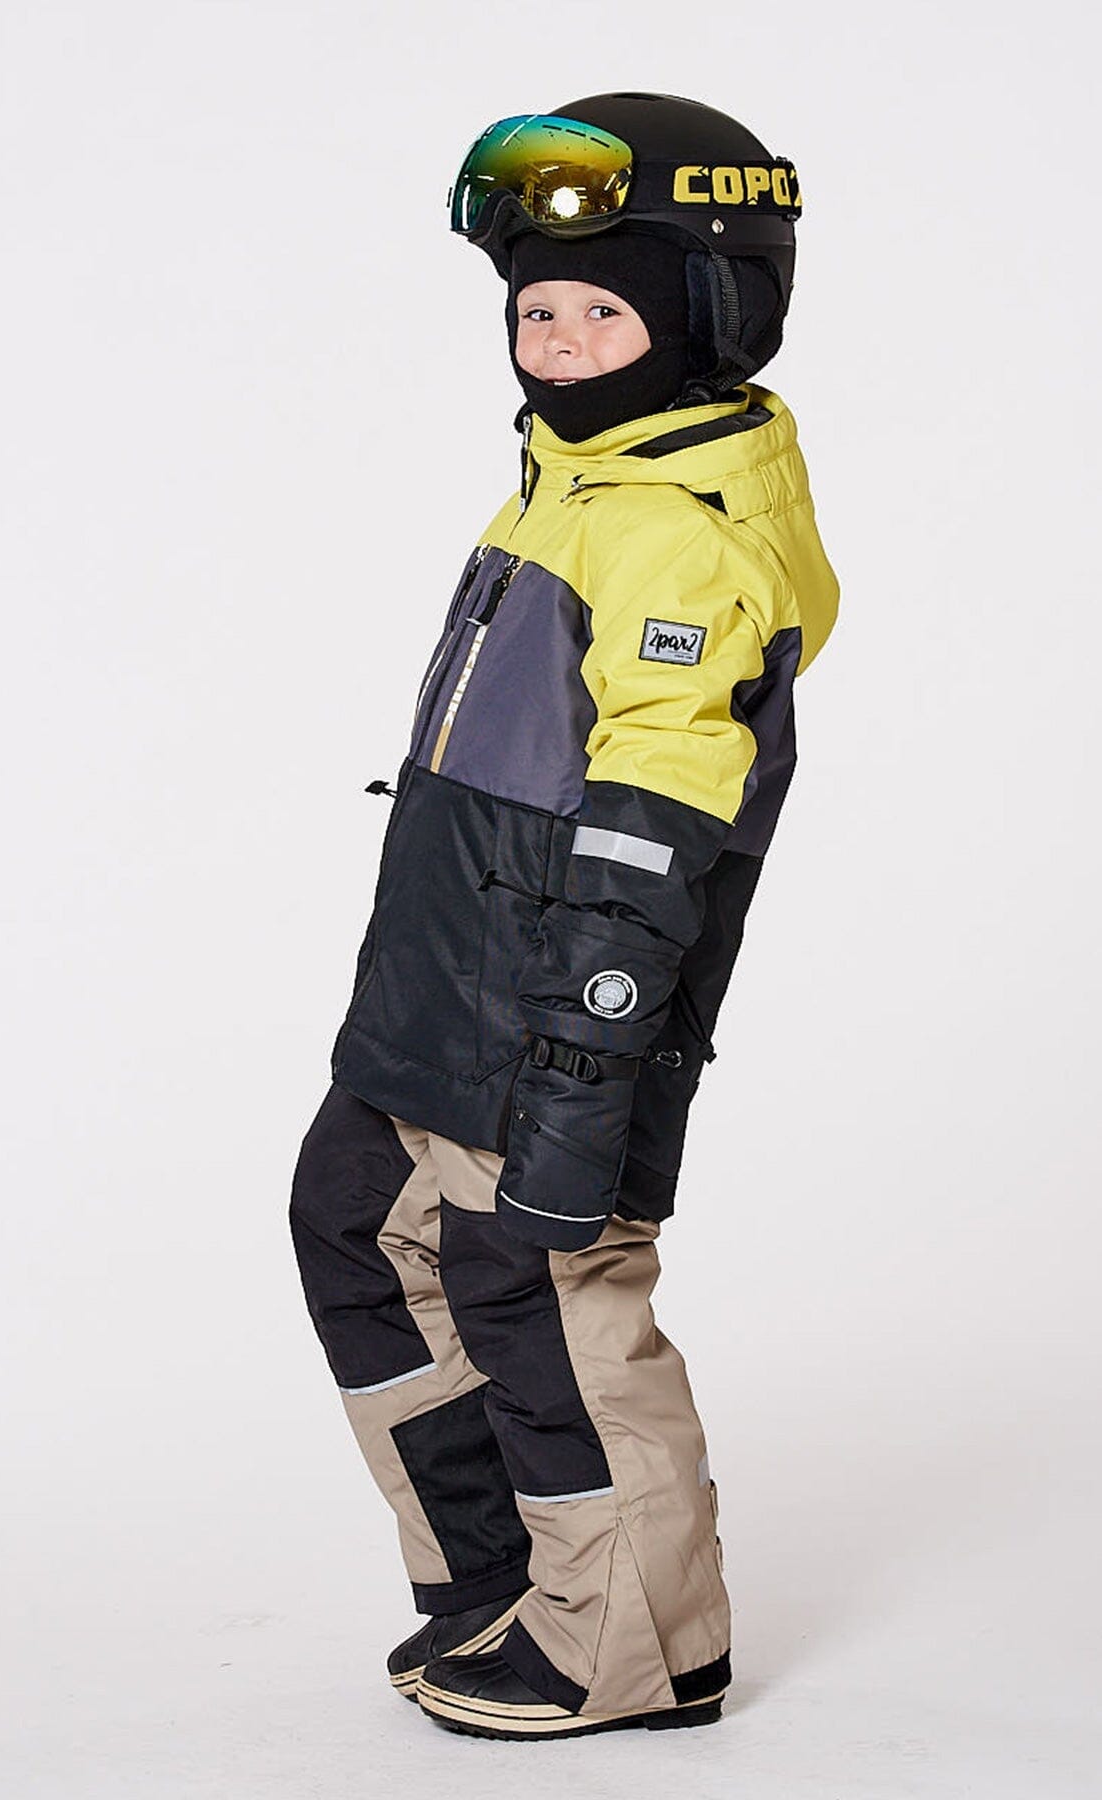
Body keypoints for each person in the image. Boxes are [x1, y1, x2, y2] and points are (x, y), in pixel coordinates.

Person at [287, 92, 839, 1740]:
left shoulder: (679, 537)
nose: (563, 344)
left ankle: (635, 1648)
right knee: (358, 1230)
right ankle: (507, 1581)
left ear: (714, 314)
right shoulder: (575, 484)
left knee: (546, 1294)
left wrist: (586, 1058)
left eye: (607, 311)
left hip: (549, 1010)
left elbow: (657, 828)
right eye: (539, 310)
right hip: (445, 984)